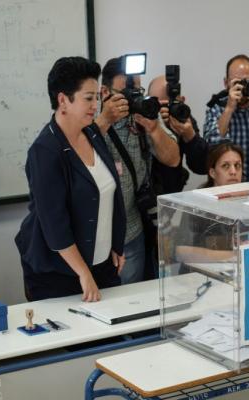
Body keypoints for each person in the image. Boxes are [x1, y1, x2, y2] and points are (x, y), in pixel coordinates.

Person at [15, 56, 126, 302]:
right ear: (63, 100)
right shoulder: (44, 151)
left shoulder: (92, 134)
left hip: (102, 264)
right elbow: (54, 224)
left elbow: (111, 194)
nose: (95, 106)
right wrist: (84, 273)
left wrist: (116, 245)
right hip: (61, 273)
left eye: (97, 97)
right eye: (88, 98)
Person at [94, 57, 180, 284]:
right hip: (94, 235)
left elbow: (173, 159)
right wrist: (105, 120)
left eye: (137, 91)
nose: (133, 98)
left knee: (131, 298)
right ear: (104, 92)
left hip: (130, 231)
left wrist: (154, 129)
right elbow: (73, 158)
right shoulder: (90, 116)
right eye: (126, 92)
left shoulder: (144, 114)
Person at [147, 75, 209, 194]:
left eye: (167, 105)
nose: (162, 110)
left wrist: (190, 137)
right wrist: (156, 125)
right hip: (145, 193)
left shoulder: (181, 119)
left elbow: (202, 167)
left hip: (171, 192)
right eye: (157, 104)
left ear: (181, 101)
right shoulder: (141, 117)